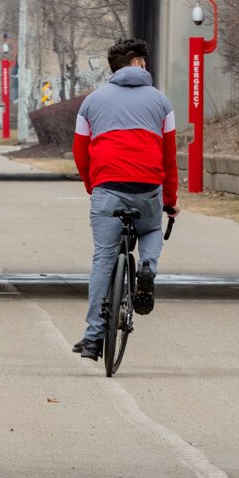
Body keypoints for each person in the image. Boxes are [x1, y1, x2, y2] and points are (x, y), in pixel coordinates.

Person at [70, 38, 178, 362]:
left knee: (103, 261)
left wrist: (94, 185)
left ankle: (92, 340)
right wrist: (170, 200)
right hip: (147, 189)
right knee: (151, 229)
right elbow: (169, 158)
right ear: (138, 65)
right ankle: (147, 267)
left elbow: (80, 151)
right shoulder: (162, 103)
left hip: (107, 189)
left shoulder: (91, 102)